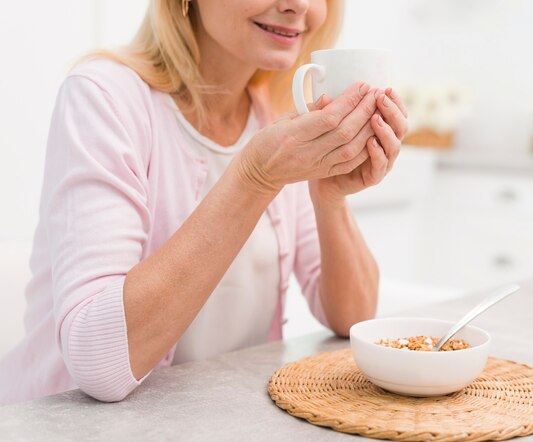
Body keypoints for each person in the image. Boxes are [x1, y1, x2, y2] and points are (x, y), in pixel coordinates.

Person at [0, 0, 407, 405]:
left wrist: (329, 194)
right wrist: (254, 178)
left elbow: (351, 317)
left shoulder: (276, 114)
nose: (297, 5)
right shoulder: (103, 98)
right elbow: (97, 361)